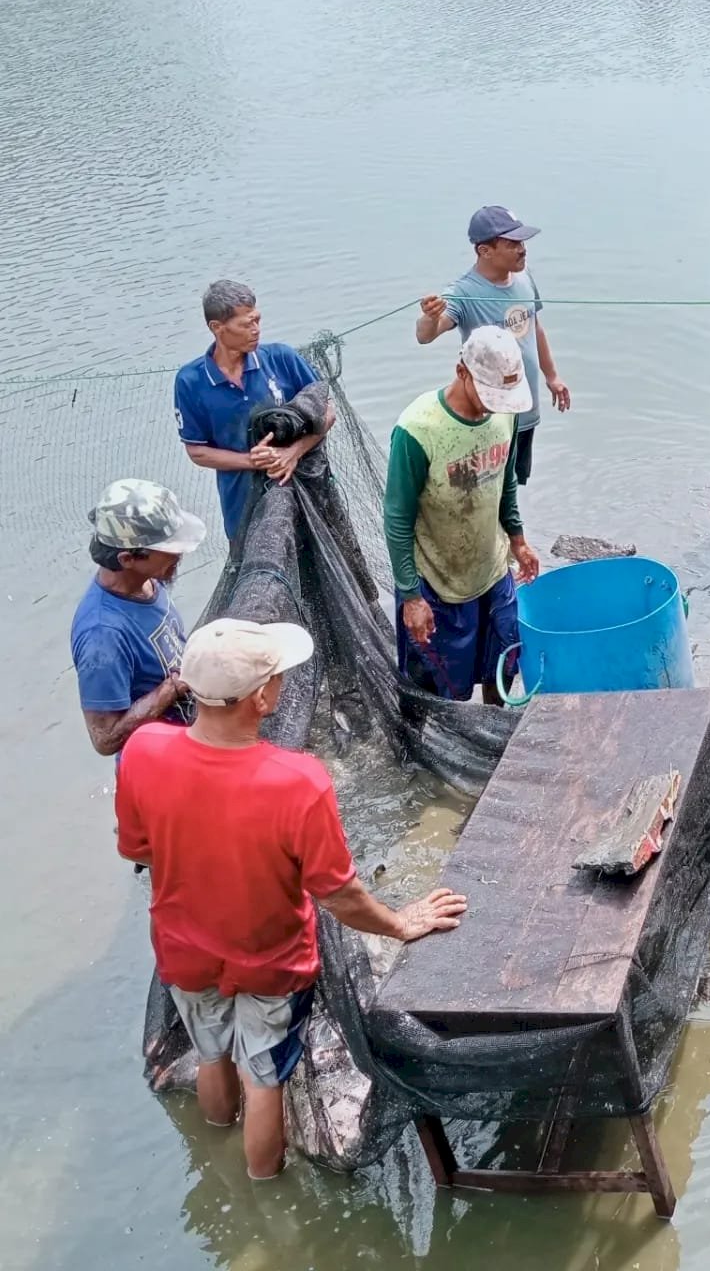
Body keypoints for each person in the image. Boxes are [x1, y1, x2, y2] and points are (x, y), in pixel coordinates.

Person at [117, 618, 468, 1180]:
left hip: (183, 951)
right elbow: (340, 896)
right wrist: (402, 923)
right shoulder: (298, 780)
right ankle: (263, 1191)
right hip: (270, 962)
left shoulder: (142, 750)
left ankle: (214, 1157)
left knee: (212, 1053)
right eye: (278, 675)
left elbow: (139, 849)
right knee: (265, 1082)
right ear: (260, 698)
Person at [385, 325, 541, 704]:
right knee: (439, 694)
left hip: (491, 569)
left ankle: (494, 741)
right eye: (488, 394)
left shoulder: (506, 416)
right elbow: (397, 519)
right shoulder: (418, 430)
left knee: (502, 667)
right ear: (461, 372)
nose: (495, 404)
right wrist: (411, 597)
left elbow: (505, 484)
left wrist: (518, 541)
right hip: (437, 582)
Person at [416, 206, 569, 489]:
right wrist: (430, 316)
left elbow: (535, 329)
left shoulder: (524, 278)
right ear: (484, 251)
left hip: (526, 411)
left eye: (522, 242)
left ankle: (511, 533)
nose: (522, 250)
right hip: (490, 418)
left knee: (513, 487)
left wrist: (552, 377)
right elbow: (426, 336)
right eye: (512, 244)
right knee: (484, 488)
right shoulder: (463, 293)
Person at [175, 280, 335, 542]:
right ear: (217, 328)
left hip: (307, 494)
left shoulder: (281, 358)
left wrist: (292, 453)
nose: (256, 330)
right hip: (243, 507)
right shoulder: (191, 381)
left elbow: (327, 411)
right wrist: (252, 461)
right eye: (245, 324)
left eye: (257, 320)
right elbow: (198, 451)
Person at [71, 479, 207, 758]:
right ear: (128, 559)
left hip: (188, 742)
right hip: (156, 767)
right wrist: (171, 690)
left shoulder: (147, 583)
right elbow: (105, 739)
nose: (179, 554)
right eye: (169, 548)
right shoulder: (103, 635)